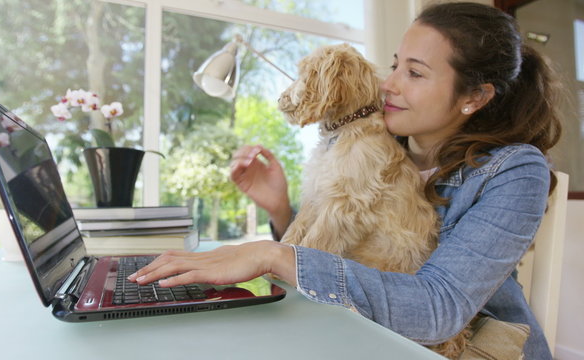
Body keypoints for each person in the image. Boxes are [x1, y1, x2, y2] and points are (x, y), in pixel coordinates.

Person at [128, 2, 562, 358]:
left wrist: (276, 256)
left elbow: (439, 309)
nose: (388, 84)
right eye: (394, 65)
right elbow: (359, 249)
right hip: (375, 338)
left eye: (414, 73)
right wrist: (281, 210)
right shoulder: (382, 149)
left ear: (475, 97)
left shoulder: (514, 171)